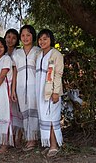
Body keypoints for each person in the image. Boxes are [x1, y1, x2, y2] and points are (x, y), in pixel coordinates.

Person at [11, 25, 40, 151]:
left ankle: (33, 139)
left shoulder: (38, 51)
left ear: (33, 36)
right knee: (24, 112)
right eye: (22, 35)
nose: (25, 38)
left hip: (35, 86)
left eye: (28, 35)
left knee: (34, 112)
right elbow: (15, 72)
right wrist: (13, 90)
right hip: (20, 87)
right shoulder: (16, 53)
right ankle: (28, 138)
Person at [36, 29, 64, 157]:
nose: (42, 41)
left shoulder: (55, 54)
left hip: (51, 91)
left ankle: (54, 145)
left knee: (52, 118)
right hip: (40, 91)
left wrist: (56, 92)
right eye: (40, 39)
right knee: (44, 117)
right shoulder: (39, 54)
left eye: (45, 39)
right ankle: (47, 143)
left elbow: (58, 74)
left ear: (51, 40)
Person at [4, 28, 23, 148]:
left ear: (17, 41)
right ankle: (7, 139)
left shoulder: (19, 54)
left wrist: (14, 88)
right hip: (4, 88)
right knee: (7, 113)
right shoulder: (1, 52)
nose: (10, 40)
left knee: (19, 113)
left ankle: (19, 139)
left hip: (18, 86)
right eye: (8, 37)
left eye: (14, 38)